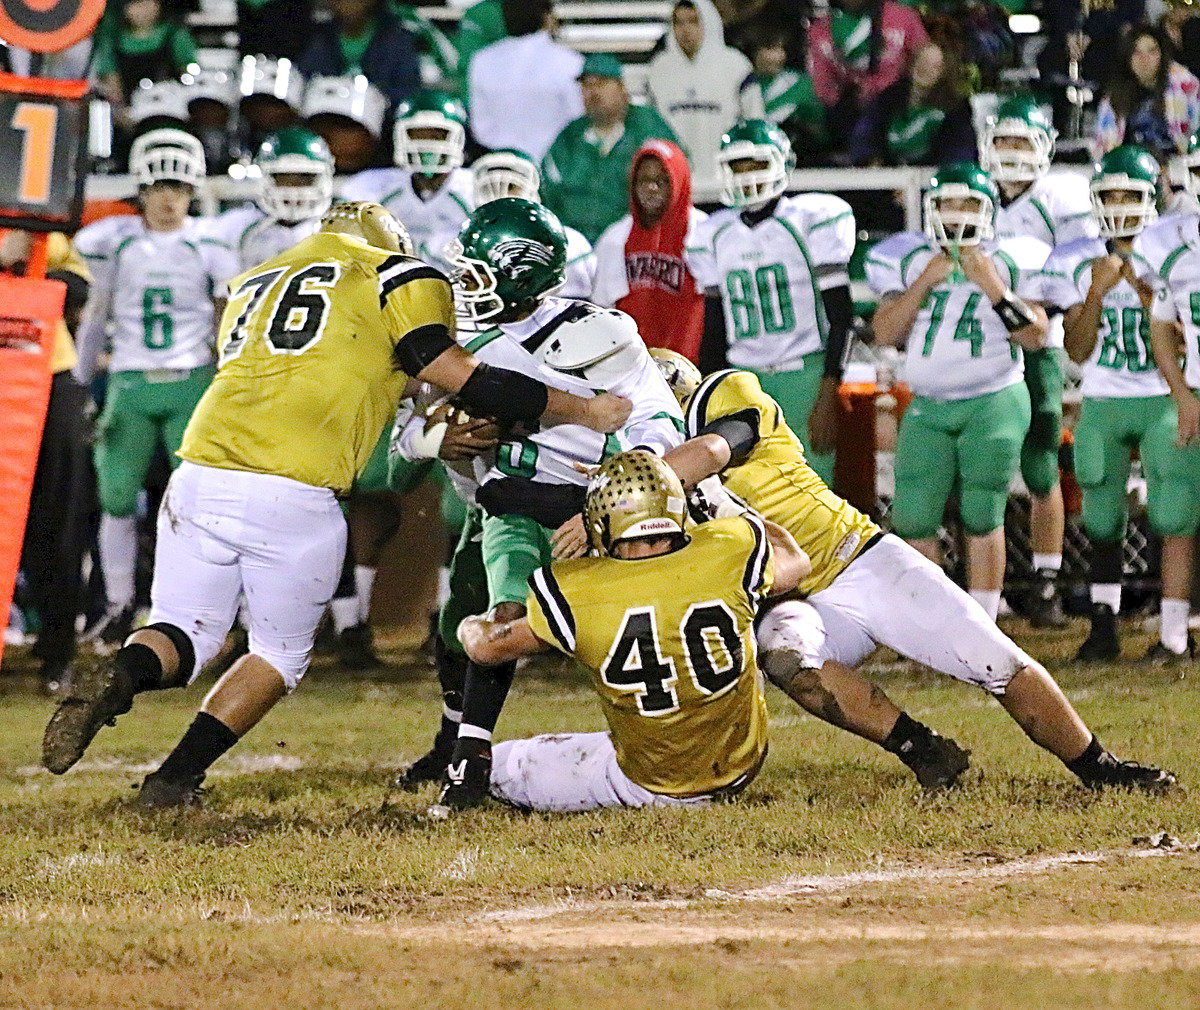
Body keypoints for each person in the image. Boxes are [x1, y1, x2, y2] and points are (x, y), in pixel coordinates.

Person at [42, 201, 633, 802]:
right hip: (293, 489)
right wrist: (582, 409)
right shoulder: (395, 274)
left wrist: (429, 430)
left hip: (199, 474)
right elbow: (460, 374)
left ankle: (119, 675)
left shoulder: (255, 282)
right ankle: (173, 779)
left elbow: (342, 372)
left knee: (183, 632)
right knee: (277, 654)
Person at [656, 368, 1173, 792]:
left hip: (861, 559)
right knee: (786, 659)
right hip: (800, 597)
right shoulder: (644, 470)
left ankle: (1099, 766)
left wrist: (644, 482)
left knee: (996, 663)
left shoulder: (722, 393)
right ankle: (925, 751)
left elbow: (714, 450)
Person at [423, 199, 686, 809]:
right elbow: (410, 435)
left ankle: (667, 736)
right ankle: (467, 760)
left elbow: (657, 414)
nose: (464, 286)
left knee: (626, 627)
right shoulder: (460, 347)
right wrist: (443, 445)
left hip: (597, 503)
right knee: (504, 614)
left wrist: (620, 482)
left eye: (478, 272)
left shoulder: (597, 331)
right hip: (515, 500)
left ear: (521, 271)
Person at [454, 450, 809, 813]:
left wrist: (469, 626)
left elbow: (487, 649)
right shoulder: (730, 546)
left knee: (501, 766)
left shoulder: (577, 589)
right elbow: (796, 563)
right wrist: (724, 505)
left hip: (650, 781)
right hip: (742, 761)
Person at [73, 129, 240, 649]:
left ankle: (197, 609)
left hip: (191, 380)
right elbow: (97, 314)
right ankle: (120, 605)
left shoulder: (210, 242)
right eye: (159, 186)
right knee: (117, 498)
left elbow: (225, 323)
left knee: (198, 506)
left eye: (179, 186)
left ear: (193, 191)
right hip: (129, 380)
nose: (168, 198)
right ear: (141, 189)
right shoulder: (114, 241)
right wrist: (82, 382)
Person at [867, 162, 1048, 622]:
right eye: (946, 203)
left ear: (989, 209)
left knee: (982, 512)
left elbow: (1036, 337)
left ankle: (982, 622)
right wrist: (925, 282)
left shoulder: (1012, 258)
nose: (956, 213)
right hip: (928, 405)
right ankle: (936, 622)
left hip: (993, 400)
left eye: (967, 202)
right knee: (913, 516)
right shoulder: (909, 260)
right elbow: (885, 332)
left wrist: (994, 288)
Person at [1042, 146, 1195, 664]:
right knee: (1102, 514)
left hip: (1161, 395)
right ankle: (1103, 625)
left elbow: (1182, 336)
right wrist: (1095, 296)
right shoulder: (1077, 258)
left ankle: (1175, 632)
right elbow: (1078, 349)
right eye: (1111, 194)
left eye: (1131, 194)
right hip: (1104, 396)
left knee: (1175, 511)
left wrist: (1141, 288)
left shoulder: (1173, 251)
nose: (1120, 204)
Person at [980, 95, 1098, 627]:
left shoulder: (1061, 198)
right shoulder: (974, 196)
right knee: (982, 467)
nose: (1011, 151)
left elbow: (1073, 277)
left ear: (1045, 148)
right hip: (978, 343)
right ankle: (989, 589)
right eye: (1003, 140)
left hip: (1040, 337)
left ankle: (1047, 581)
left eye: (1022, 141)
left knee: (1040, 459)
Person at [687, 120, 855, 486]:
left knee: (813, 494)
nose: (747, 176)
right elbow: (715, 327)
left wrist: (829, 389)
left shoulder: (810, 219)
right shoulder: (713, 234)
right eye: (738, 166)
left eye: (757, 164)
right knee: (745, 492)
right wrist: (711, 389)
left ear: (783, 165)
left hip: (804, 374)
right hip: (744, 379)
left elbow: (842, 316)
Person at [8, 232, 93, 693]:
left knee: (56, 516)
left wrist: (24, 267)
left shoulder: (31, 222)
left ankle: (58, 649)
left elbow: (77, 286)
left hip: (44, 375)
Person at [541, 54, 678, 244]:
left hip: (633, 242)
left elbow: (676, 180)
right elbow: (548, 192)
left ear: (622, 88)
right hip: (576, 245)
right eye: (587, 85)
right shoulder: (570, 136)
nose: (593, 92)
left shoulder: (647, 127)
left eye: (602, 83)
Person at [592, 139, 708, 363]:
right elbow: (602, 311)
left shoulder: (702, 232)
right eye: (643, 180)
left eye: (661, 181)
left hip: (691, 369)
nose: (651, 188)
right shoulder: (615, 238)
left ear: (679, 181)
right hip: (632, 370)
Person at [341, 89, 474, 268]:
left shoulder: (475, 189)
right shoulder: (372, 186)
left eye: (436, 135)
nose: (426, 144)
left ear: (458, 138)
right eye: (417, 134)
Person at [644, 0, 762, 194]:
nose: (686, 30)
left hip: (726, 183)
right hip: (675, 185)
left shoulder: (736, 66)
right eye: (679, 23)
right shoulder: (658, 69)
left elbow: (754, 123)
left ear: (709, 21)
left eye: (693, 21)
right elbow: (652, 127)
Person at [467, 149, 595, 297]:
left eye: (511, 186)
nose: (500, 195)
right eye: (489, 187)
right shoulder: (468, 243)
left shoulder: (570, 243)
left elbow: (582, 305)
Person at [807, 0, 928, 157]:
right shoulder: (821, 29)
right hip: (847, 117)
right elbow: (822, 85)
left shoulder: (903, 17)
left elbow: (924, 60)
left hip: (897, 110)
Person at [205, 127, 335, 271]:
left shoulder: (342, 228)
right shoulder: (239, 229)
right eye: (283, 179)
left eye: (304, 179)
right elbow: (227, 290)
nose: (293, 190)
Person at [469, 0, 583, 162]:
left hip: (502, 165)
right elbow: (578, 119)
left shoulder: (481, 60)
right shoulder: (570, 62)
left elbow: (481, 127)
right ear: (547, 17)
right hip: (555, 166)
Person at [851, 41, 977, 167]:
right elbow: (865, 135)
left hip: (933, 177)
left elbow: (961, 150)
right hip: (888, 177)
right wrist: (871, 160)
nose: (924, 69)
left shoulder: (956, 107)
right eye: (921, 62)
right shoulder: (888, 98)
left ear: (945, 71)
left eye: (934, 66)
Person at [1093, 25, 1200, 161]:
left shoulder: (1186, 85)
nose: (1145, 59)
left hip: (1178, 163)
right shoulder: (1114, 96)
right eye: (1137, 53)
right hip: (1131, 167)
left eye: (1152, 51)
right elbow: (1104, 146)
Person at [298, 0, 422, 108]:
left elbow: (407, 91)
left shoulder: (396, 40)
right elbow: (306, 82)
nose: (348, 4)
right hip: (327, 121)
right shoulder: (320, 39)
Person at [740, 23, 829, 165]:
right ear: (754, 51)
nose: (778, 56)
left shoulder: (800, 84)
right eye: (770, 49)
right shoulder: (740, 82)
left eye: (781, 49)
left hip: (795, 160)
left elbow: (818, 129)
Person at [94, 0, 198, 111]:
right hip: (130, 110)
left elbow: (189, 72)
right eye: (136, 5)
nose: (143, 10)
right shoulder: (112, 40)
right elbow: (111, 81)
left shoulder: (175, 34)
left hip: (171, 108)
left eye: (147, 4)